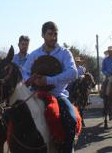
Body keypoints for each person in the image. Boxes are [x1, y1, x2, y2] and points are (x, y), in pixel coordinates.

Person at [22, 21, 78, 153]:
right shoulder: (34, 55)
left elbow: (73, 73)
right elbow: (24, 72)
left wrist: (49, 80)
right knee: (15, 117)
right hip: (35, 95)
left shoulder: (65, 53)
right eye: (50, 34)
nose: (53, 37)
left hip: (58, 96)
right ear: (43, 35)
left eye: (55, 34)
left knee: (71, 120)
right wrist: (31, 80)